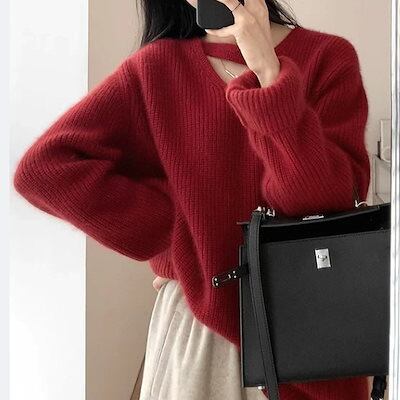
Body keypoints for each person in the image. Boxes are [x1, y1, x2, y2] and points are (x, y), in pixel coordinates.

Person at [13, 0, 371, 398]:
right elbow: (45, 170)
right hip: (205, 335)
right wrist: (185, 233)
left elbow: (323, 202)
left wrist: (268, 74)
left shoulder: (327, 58)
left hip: (315, 327)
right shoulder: (156, 68)